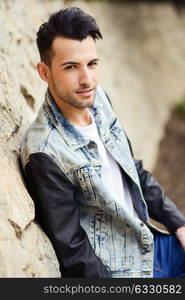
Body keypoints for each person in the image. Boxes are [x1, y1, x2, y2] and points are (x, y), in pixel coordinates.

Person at [20, 7, 185, 278]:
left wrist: (178, 224)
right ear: (44, 72)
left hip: (153, 246)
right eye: (71, 67)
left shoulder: (100, 101)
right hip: (124, 274)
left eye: (92, 64)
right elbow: (74, 251)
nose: (87, 79)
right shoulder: (44, 152)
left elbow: (135, 171)